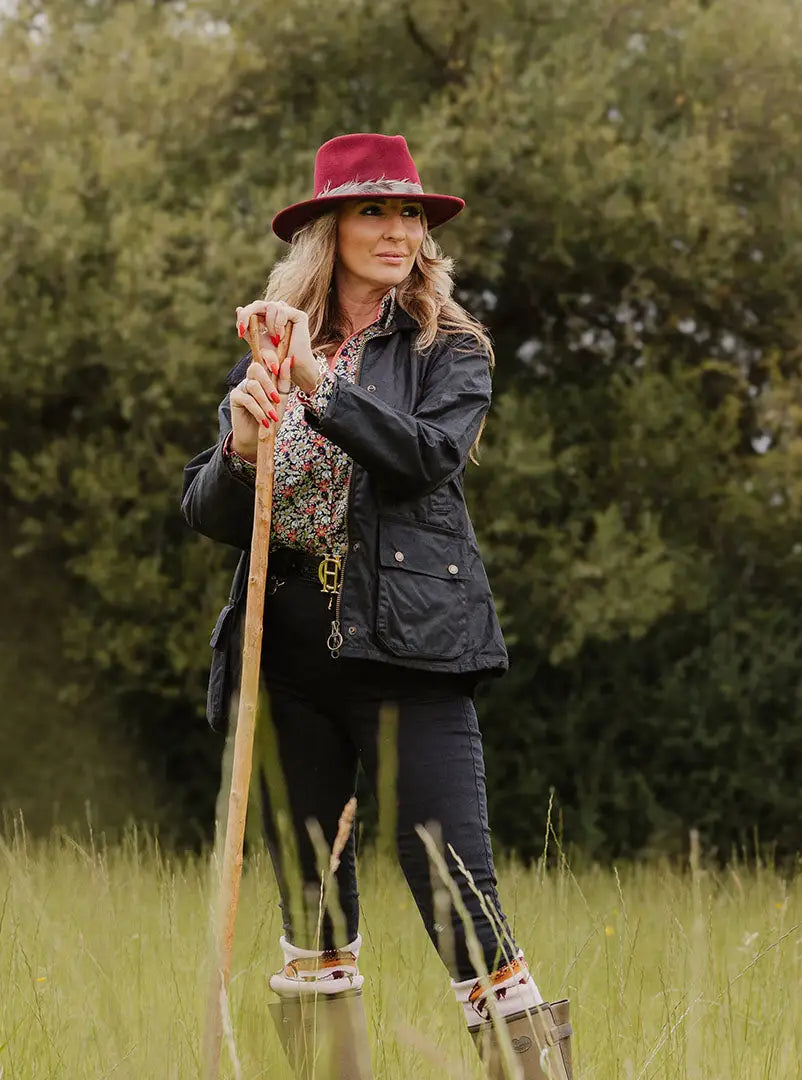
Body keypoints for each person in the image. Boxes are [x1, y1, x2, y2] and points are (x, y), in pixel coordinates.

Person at [180, 133, 573, 1080]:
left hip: (411, 646)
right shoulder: (278, 338)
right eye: (375, 211)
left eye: (410, 214)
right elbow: (208, 510)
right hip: (288, 655)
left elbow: (423, 458)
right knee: (311, 895)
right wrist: (240, 438)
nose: (399, 229)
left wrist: (321, 385)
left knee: (451, 880)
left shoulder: (452, 346)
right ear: (329, 227)